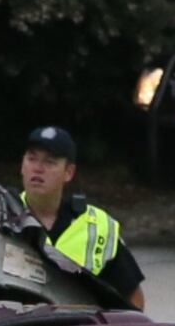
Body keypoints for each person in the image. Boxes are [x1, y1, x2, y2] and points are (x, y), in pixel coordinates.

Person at [16, 124, 144, 311]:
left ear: (69, 172)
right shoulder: (3, 217)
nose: (37, 169)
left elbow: (134, 301)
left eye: (50, 162)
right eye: (31, 159)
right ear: (22, 165)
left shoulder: (97, 226)